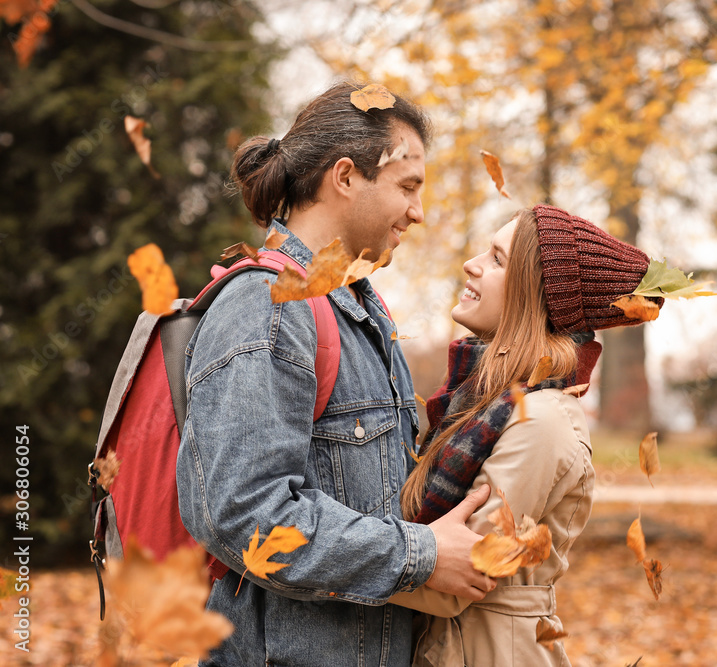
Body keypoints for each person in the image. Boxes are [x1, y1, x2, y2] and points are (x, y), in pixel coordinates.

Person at [175, 82, 496, 667]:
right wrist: (420, 554)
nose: (419, 212)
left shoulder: (362, 313)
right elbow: (251, 518)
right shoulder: (269, 308)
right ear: (345, 177)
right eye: (407, 186)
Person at [389, 204, 663, 666]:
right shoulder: (486, 401)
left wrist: (327, 554)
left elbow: (465, 574)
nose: (471, 264)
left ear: (534, 299)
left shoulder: (539, 420)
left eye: (497, 259)